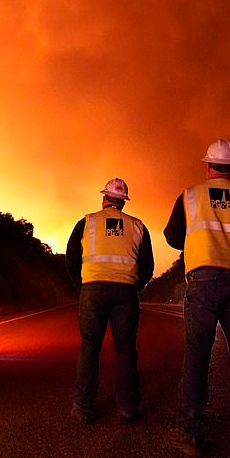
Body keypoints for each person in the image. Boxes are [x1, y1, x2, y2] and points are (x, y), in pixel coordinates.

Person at [164, 139, 230, 456]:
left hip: (203, 280)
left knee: (196, 354)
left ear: (208, 165)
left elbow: (172, 236)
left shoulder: (190, 196)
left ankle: (190, 433)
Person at [66, 178, 154, 424]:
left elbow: (72, 257)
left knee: (90, 346)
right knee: (126, 349)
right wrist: (135, 286)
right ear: (123, 202)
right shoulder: (138, 226)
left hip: (92, 289)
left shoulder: (87, 222)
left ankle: (83, 406)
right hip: (125, 291)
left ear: (104, 198)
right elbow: (147, 266)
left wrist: (80, 285)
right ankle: (127, 407)